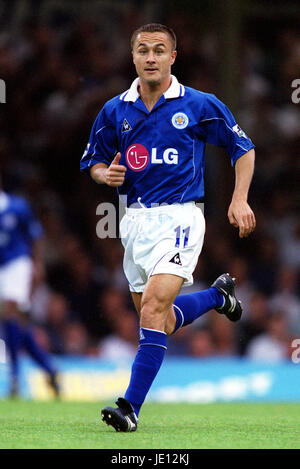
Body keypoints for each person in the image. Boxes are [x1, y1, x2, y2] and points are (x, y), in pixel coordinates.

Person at [80, 23, 256, 432]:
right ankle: (217, 296)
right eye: (143, 50)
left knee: (155, 310)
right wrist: (105, 175)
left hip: (180, 217)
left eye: (160, 50)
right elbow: (93, 161)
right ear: (134, 57)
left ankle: (129, 408)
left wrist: (239, 197)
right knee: (160, 322)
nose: (151, 57)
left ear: (172, 57)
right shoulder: (115, 110)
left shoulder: (198, 104)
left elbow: (242, 148)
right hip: (134, 223)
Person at [0, 180, 59, 397]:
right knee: (14, 324)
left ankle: (15, 376)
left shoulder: (17, 207)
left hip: (17, 264)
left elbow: (35, 236)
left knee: (11, 311)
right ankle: (49, 369)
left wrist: (38, 263)